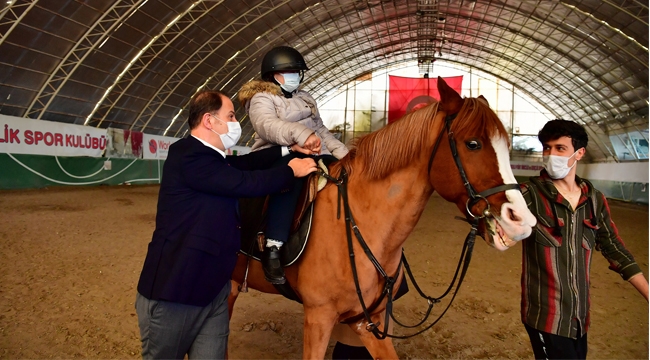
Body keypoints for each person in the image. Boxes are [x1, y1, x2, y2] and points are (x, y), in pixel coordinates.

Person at [135, 89, 317, 359]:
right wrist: (291, 170)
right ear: (209, 121)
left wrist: (288, 149)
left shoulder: (213, 161)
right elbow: (244, 182)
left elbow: (245, 163)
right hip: (175, 292)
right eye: (230, 116)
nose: (235, 122)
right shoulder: (187, 155)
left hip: (214, 291)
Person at [520, 119, 649, 359]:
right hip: (545, 317)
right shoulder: (528, 195)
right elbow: (498, 228)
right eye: (546, 148)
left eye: (560, 148)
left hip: (579, 318)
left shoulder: (595, 200)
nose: (550, 155)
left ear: (579, 153)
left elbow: (614, 247)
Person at [238, 45, 349, 285]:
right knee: (293, 172)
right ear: (272, 75)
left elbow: (321, 131)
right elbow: (268, 126)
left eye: (298, 71)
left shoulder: (306, 98)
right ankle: (273, 245)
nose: (295, 76)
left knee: (341, 173)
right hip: (275, 153)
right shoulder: (261, 99)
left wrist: (345, 156)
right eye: (289, 71)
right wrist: (301, 135)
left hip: (310, 151)